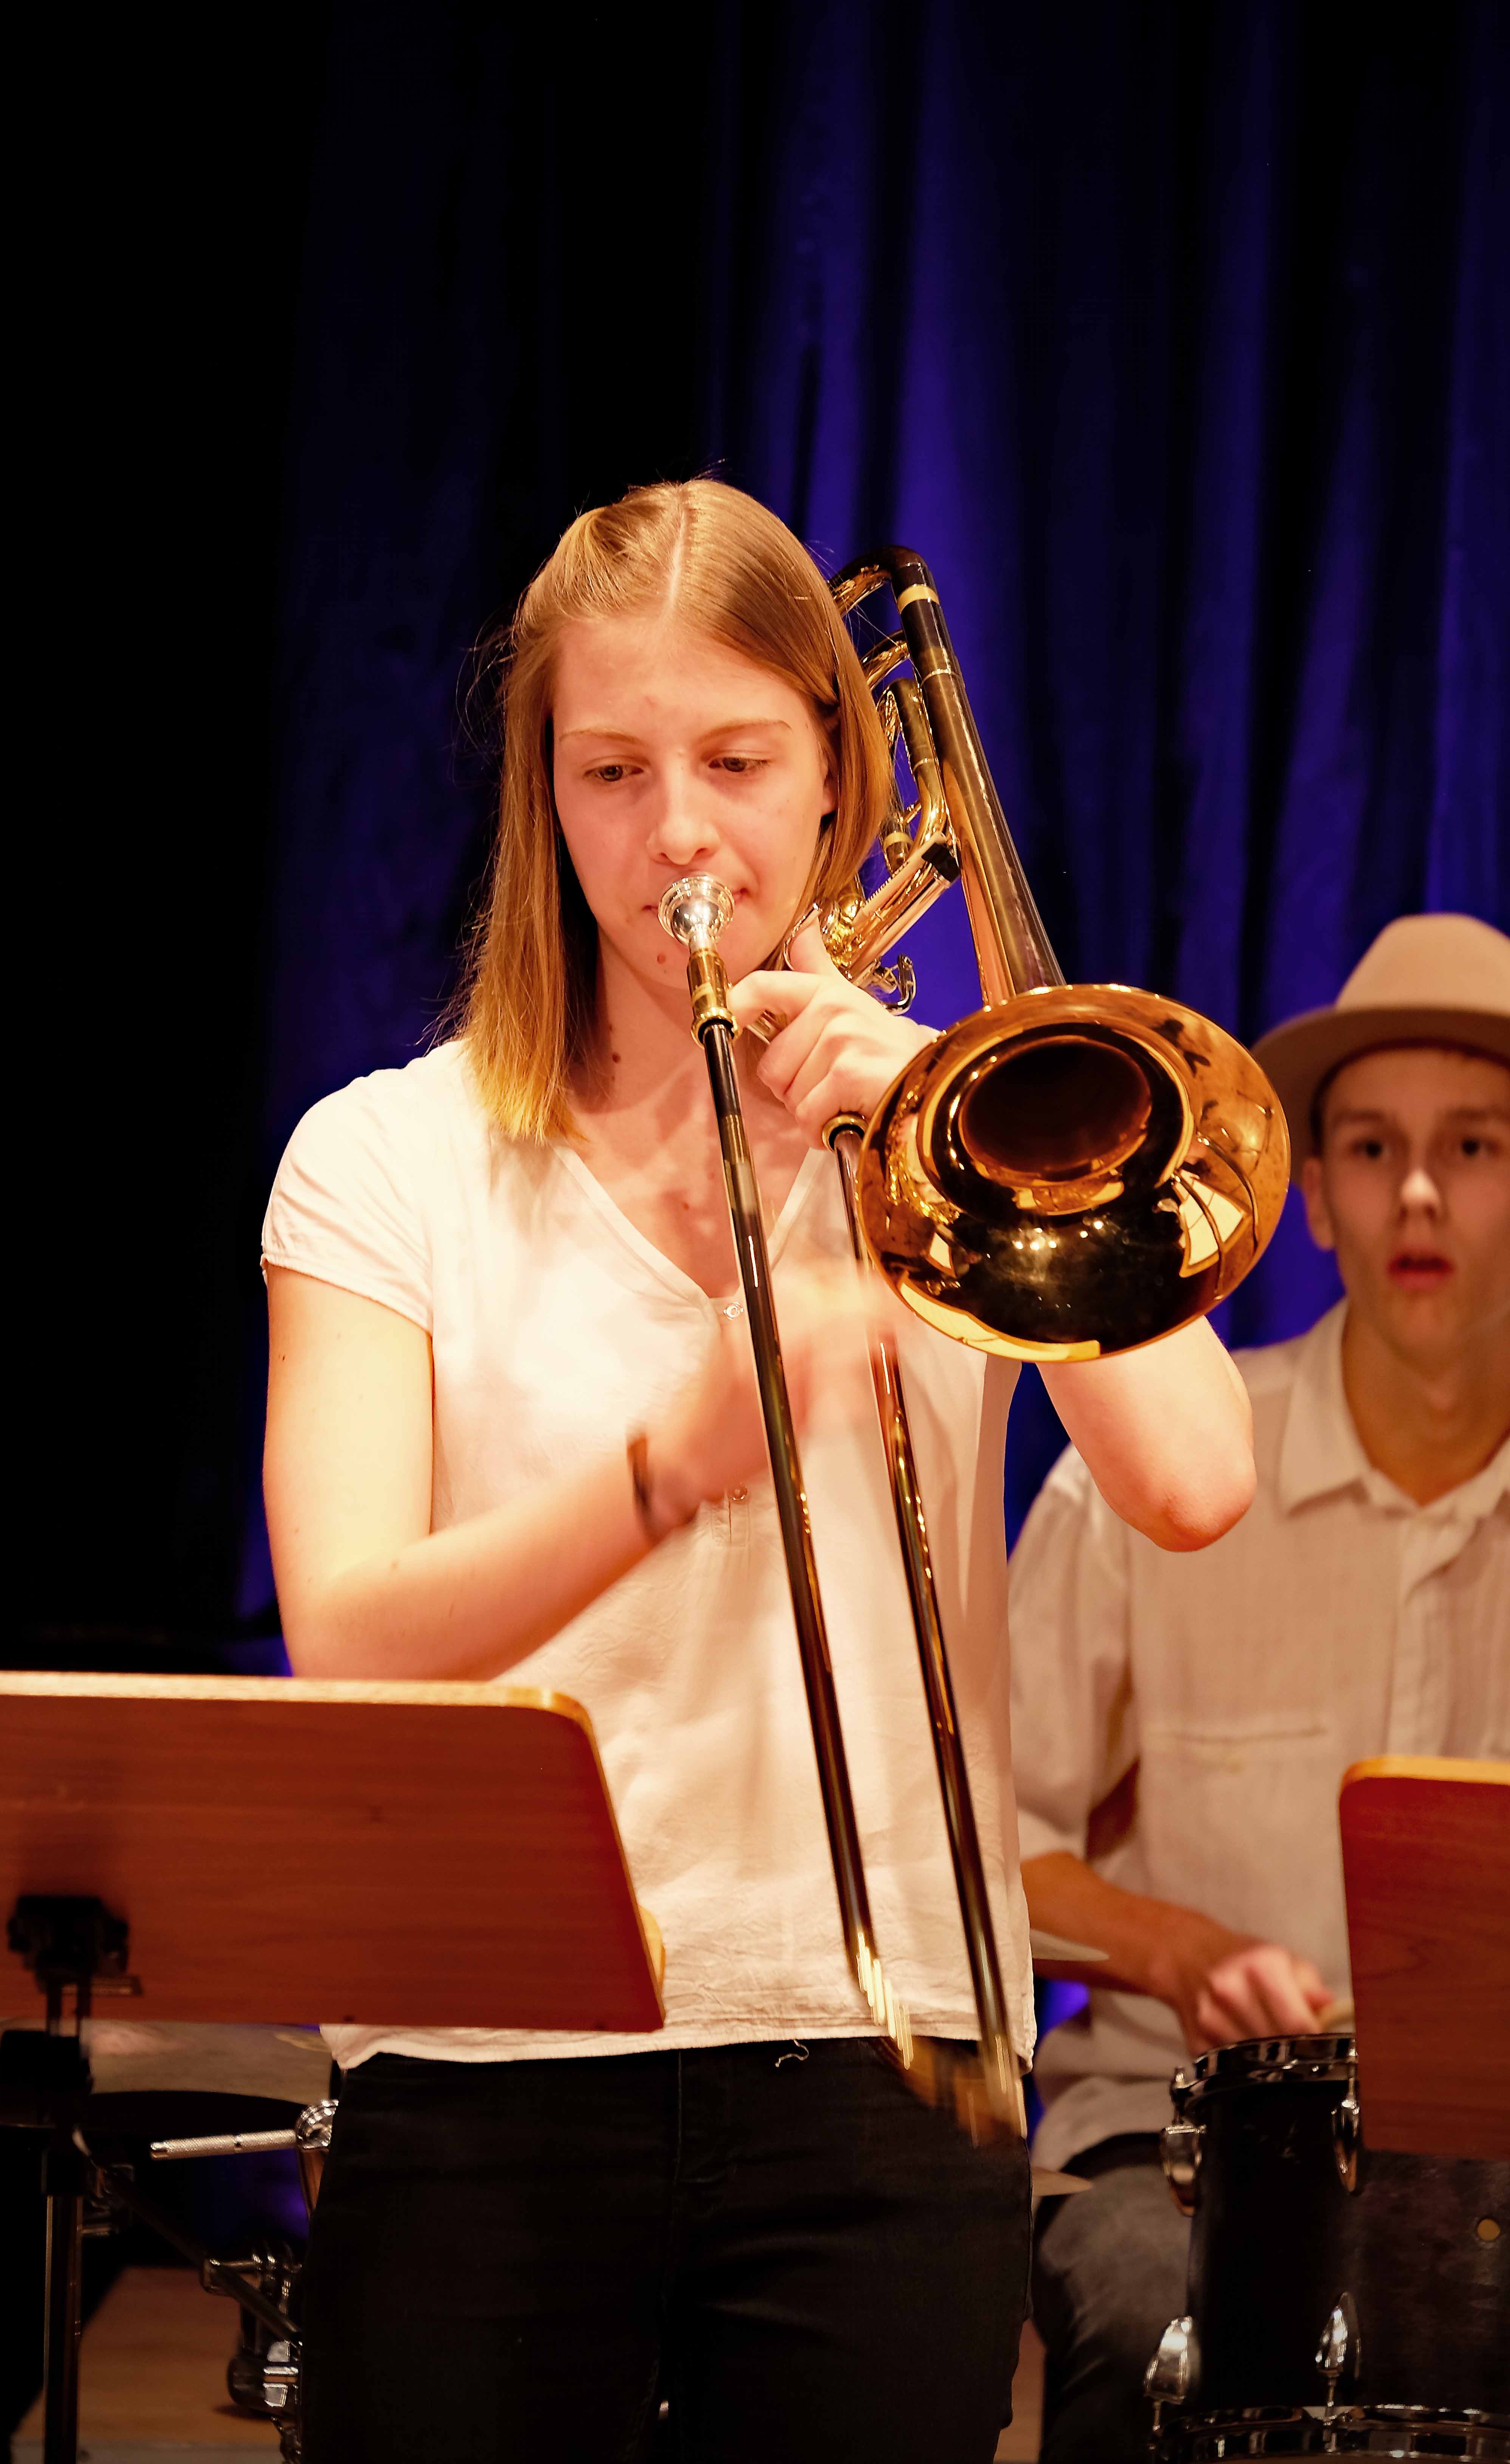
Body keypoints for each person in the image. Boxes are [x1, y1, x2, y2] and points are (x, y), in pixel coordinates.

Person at [259, 477, 1255, 2464]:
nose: (679, 838)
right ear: (544, 795)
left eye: (735, 762)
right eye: (612, 771)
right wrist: (666, 1466)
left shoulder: (951, 1139)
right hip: (482, 2067)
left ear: (836, 776)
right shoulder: (386, 1160)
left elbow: (1196, 1482)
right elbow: (352, 1638)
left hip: (880, 2076)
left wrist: (961, 1104)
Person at [1009, 912, 1510, 2464]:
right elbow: (972, 1843)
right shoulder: (1159, 1476)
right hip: (1175, 2143)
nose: (1416, 1193)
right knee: (1143, 2322)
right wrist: (1178, 1949)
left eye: (1473, 1147)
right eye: (1369, 1149)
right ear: (1317, 1203)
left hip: (1490, 2164)